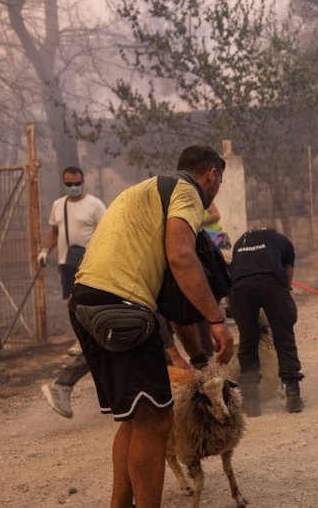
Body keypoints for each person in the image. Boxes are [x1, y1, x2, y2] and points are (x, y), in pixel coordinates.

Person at [70, 145, 234, 508]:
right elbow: (181, 257)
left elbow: (174, 302)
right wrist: (218, 322)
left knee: (134, 418)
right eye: (218, 182)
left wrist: (195, 359)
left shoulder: (146, 192)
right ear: (212, 175)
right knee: (156, 422)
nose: (215, 191)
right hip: (121, 306)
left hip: (86, 300)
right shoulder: (188, 192)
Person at [37, 166, 106, 418]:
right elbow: (54, 233)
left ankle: (82, 340)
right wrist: (45, 251)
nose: (73, 187)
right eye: (68, 183)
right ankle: (80, 338)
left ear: (83, 181)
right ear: (64, 183)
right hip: (68, 264)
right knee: (74, 307)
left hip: (91, 264)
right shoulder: (59, 205)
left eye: (76, 183)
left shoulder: (95, 205)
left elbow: (107, 232)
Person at [229, 227, 303, 416]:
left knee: (248, 338)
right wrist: (285, 294)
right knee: (284, 336)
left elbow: (234, 274)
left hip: (241, 288)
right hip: (271, 283)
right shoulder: (282, 241)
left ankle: (251, 400)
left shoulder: (240, 242)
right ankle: (293, 394)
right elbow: (288, 275)